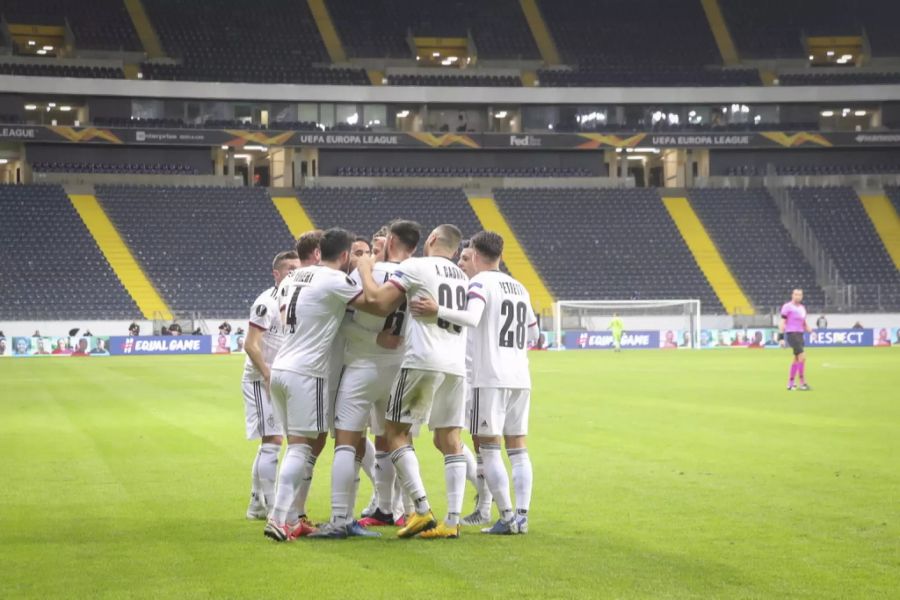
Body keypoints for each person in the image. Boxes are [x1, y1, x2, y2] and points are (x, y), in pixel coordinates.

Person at [410, 231, 539, 535]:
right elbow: (533, 336)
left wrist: (437, 310)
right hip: (521, 376)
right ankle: (522, 515)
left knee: (490, 447)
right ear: (500, 256)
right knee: (518, 447)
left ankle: (506, 518)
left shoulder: (480, 283)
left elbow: (471, 317)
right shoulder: (519, 286)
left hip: (489, 376)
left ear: (477, 255)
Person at [263, 228, 385, 542]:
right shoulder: (336, 281)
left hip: (280, 368)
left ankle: (292, 517)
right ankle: (278, 518)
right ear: (345, 256)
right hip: (308, 373)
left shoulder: (292, 278)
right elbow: (375, 303)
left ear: (318, 252)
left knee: (299, 446)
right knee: (301, 447)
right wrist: (367, 268)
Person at [355, 224, 471, 539]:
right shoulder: (463, 277)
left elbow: (379, 302)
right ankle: (453, 521)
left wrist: (365, 269)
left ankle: (421, 509)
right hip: (456, 366)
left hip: (423, 359)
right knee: (450, 440)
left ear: (432, 240)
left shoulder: (415, 266)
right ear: (456, 250)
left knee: (394, 432)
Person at [312, 221, 420, 538]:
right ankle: (406, 510)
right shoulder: (415, 275)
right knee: (396, 441)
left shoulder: (363, 275)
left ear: (390, 243)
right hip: (398, 369)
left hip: (361, 368)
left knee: (347, 444)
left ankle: (340, 519)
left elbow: (339, 319)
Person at [242, 250, 301, 521]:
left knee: (270, 441)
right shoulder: (266, 302)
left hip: (278, 378)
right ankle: (273, 507)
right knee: (274, 441)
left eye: (297, 268)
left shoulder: (296, 299)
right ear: (276, 274)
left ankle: (256, 504)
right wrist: (267, 375)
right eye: (289, 268)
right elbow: (250, 345)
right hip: (260, 378)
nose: (294, 272)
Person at [779, 289, 812, 391]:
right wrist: (781, 338)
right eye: (796, 294)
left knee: (796, 358)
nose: (798, 296)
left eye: (800, 295)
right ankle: (802, 383)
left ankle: (791, 383)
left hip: (800, 334)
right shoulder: (787, 306)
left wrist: (812, 331)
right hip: (791, 333)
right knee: (803, 356)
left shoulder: (802, 308)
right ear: (792, 295)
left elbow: (804, 323)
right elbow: (782, 322)